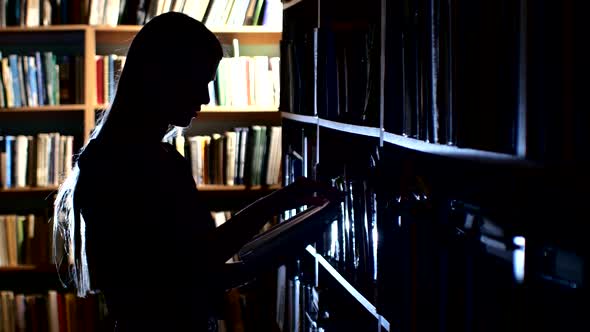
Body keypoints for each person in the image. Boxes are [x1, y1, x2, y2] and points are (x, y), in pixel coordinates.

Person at [53, 12, 338, 332]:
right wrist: (276, 250)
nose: (203, 98)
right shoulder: (137, 162)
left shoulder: (119, 155)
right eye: (198, 82)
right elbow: (182, 276)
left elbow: (192, 257)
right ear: (163, 78)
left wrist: (277, 204)